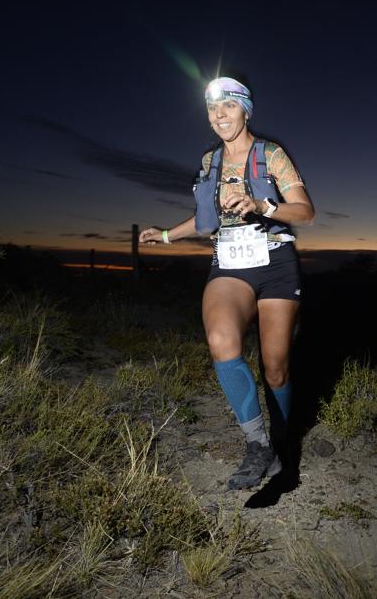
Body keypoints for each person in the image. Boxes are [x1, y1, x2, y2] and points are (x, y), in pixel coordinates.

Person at [140, 76, 314, 490]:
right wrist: (165, 235)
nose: (219, 116)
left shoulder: (271, 154)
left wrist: (261, 204)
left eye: (228, 107)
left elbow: (305, 212)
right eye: (212, 110)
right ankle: (257, 446)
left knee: (275, 370)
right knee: (221, 340)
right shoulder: (209, 162)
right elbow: (206, 223)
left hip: (275, 262)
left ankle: (283, 441)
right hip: (230, 263)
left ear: (245, 110)